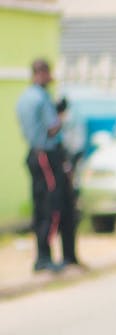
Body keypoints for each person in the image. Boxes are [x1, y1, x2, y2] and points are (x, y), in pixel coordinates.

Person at [16, 58, 80, 274]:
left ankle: (50, 256)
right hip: (47, 156)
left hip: (35, 154)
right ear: (41, 73)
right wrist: (61, 115)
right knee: (53, 204)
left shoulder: (24, 97)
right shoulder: (41, 97)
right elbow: (52, 128)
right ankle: (45, 257)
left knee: (42, 203)